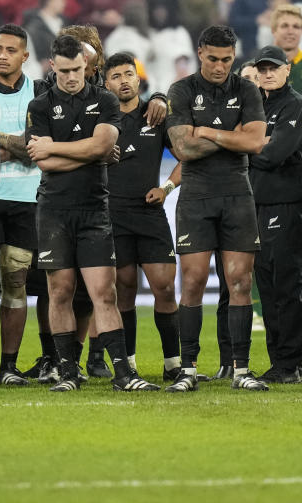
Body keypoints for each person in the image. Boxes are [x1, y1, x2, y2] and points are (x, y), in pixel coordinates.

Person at [24, 34, 159, 392]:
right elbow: (41, 159)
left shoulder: (105, 99)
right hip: (53, 210)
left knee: (104, 292)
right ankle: (68, 373)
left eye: (78, 70)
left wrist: (57, 148)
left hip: (95, 208)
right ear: (52, 66)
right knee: (60, 291)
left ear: (88, 67)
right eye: (65, 70)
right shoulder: (39, 106)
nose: (71, 77)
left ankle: (123, 374)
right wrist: (84, 153)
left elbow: (104, 145)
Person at [163, 25, 267, 392]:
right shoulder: (182, 90)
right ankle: (188, 369)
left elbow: (255, 142)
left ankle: (241, 370)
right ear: (200, 52)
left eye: (227, 60)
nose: (220, 66)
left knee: (240, 282)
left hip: (237, 194)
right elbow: (183, 150)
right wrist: (231, 136)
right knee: (192, 282)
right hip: (195, 195)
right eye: (212, 59)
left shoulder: (247, 89)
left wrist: (205, 131)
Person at [0, 24, 51, 386]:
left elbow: (38, 148)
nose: (2, 55)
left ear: (25, 56)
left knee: (16, 283)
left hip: (26, 201)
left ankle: (8, 367)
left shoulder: (40, 92)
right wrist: (15, 146)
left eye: (10, 50)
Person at [103, 51, 182, 380]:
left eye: (128, 74)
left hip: (150, 214)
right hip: (113, 215)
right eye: (116, 76)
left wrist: (165, 188)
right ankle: (129, 363)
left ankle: (173, 364)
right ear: (106, 82)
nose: (123, 81)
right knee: (124, 288)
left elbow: (187, 159)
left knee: (164, 287)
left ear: (139, 78)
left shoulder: (156, 116)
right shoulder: (101, 120)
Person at [248, 45, 302, 384]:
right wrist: (256, 144)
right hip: (257, 205)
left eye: (273, 67)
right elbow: (263, 148)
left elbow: (275, 154)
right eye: (262, 69)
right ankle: (279, 361)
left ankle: (291, 363)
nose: (268, 73)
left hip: (290, 205)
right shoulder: (254, 107)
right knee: (268, 287)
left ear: (287, 69)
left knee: (288, 285)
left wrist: (244, 146)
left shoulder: (297, 106)